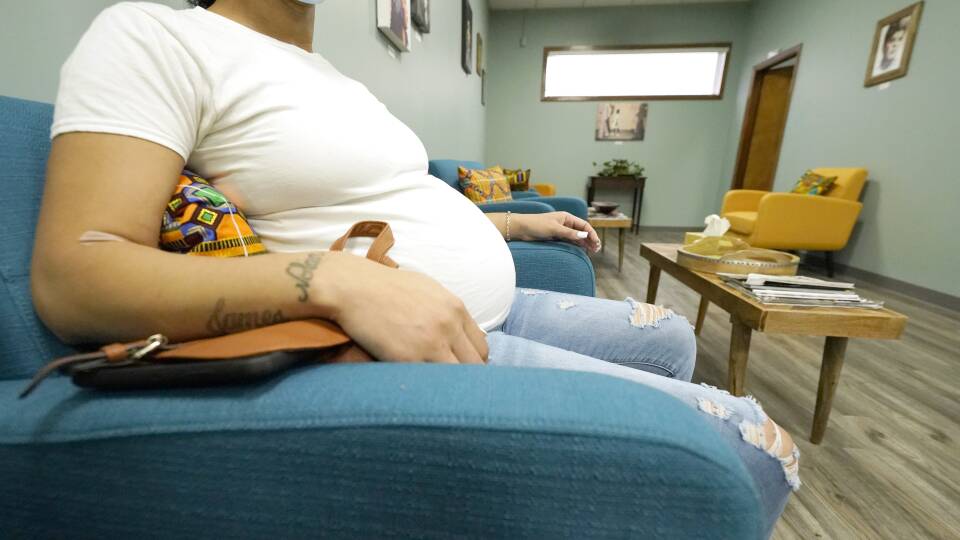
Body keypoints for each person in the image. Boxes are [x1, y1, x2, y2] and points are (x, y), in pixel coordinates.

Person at [31, 0, 798, 536]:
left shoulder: (336, 78)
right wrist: (336, 280)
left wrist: (513, 219)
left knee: (664, 335)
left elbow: (394, 192)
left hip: (485, 300)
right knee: (750, 446)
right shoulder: (154, 37)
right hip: (408, 331)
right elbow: (77, 274)